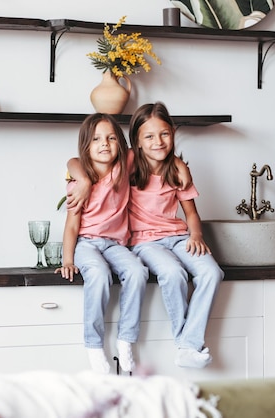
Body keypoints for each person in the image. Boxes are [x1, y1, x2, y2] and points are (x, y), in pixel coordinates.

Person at [128, 102, 224, 369]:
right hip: (145, 241)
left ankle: (187, 345)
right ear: (137, 141)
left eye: (164, 134)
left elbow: (191, 213)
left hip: (178, 236)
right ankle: (187, 343)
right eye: (149, 136)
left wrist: (195, 235)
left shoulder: (178, 168)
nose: (158, 142)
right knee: (172, 273)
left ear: (172, 133)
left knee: (211, 273)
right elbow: (79, 162)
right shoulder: (129, 163)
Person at [56, 113, 149, 374]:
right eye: (96, 139)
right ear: (86, 146)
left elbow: (143, 144)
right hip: (86, 244)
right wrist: (68, 260)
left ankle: (126, 339)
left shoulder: (124, 166)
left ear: (119, 143)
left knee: (137, 271)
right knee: (98, 274)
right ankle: (94, 346)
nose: (104, 144)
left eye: (110, 138)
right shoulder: (79, 182)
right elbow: (72, 224)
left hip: (116, 245)